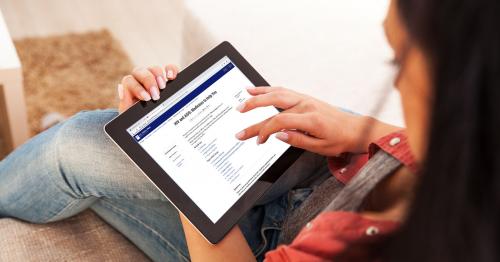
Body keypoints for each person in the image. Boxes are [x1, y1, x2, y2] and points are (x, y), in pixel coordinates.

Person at [1, 0, 498, 260]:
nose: (393, 79)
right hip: (324, 171)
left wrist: (186, 177)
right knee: (121, 128)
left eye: (400, 59)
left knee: (77, 144)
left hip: (261, 243)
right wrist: (355, 128)